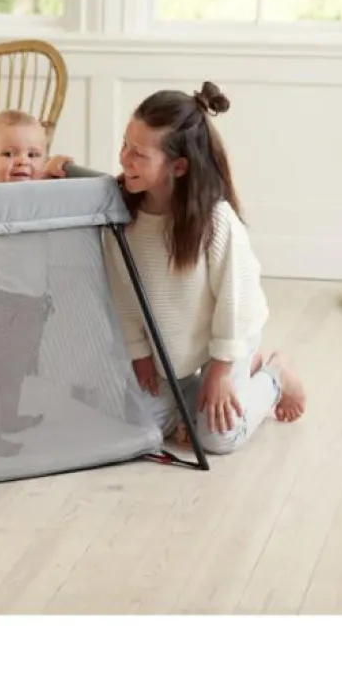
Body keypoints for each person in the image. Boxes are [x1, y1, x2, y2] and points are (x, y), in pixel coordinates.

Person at [104, 83, 305, 456]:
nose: (124, 159)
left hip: (227, 337)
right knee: (136, 423)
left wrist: (222, 368)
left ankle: (274, 374)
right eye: (125, 145)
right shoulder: (121, 214)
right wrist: (139, 352)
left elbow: (236, 301)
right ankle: (199, 404)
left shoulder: (215, 220)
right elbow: (122, 288)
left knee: (217, 437)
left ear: (178, 167)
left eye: (139, 154)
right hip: (171, 348)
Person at [0, 112, 71, 455]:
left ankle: (8, 419)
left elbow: (55, 175)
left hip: (31, 302)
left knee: (16, 369)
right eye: (9, 154)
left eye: (33, 155)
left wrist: (55, 168)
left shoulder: (40, 194)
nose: (22, 161)